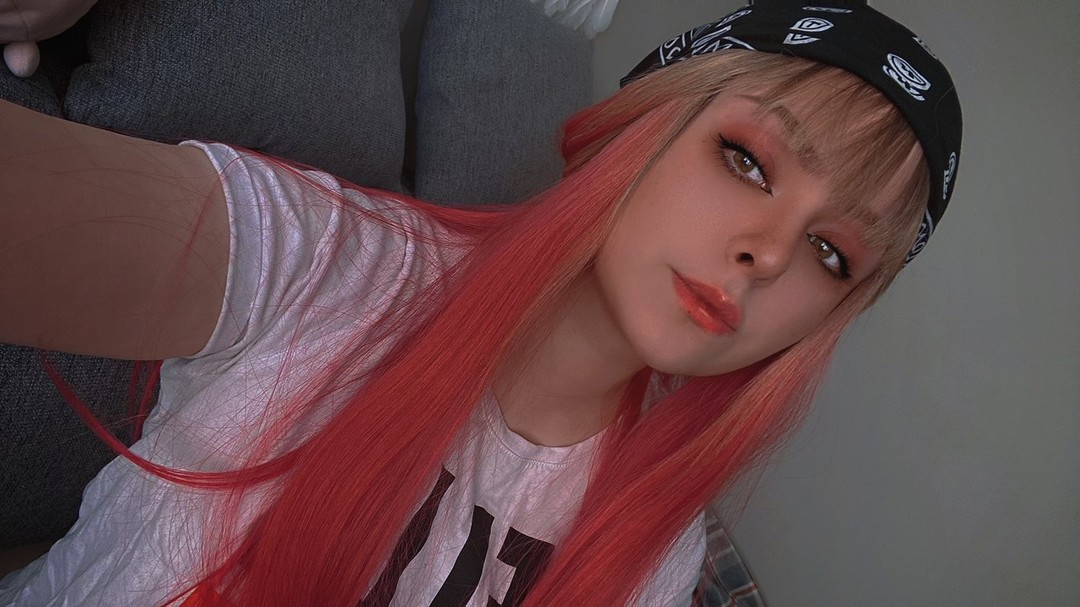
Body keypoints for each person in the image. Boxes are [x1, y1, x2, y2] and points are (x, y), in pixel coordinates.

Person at [0, 1, 962, 605]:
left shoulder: (657, 556)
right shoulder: (333, 261)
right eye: (747, 158)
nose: (769, 254)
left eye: (832, 254)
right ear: (644, 124)